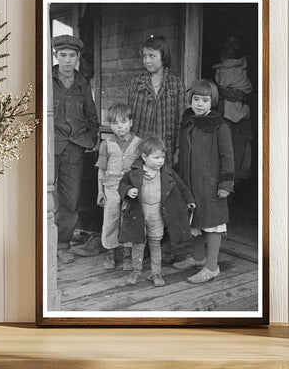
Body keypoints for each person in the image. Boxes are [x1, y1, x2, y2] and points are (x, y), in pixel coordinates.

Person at [173, 80, 234, 283]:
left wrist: (226, 184)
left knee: (213, 223)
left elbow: (227, 156)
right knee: (195, 220)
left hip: (211, 184)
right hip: (190, 181)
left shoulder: (219, 125)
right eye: (196, 99)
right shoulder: (188, 120)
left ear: (212, 102)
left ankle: (212, 266)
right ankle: (198, 258)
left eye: (205, 100)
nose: (199, 104)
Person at [118, 137, 195, 287]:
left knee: (155, 243)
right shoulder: (134, 172)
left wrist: (189, 199)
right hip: (139, 214)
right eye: (156, 157)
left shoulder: (167, 172)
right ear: (144, 157)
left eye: (162, 157)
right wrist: (128, 190)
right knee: (138, 244)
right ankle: (135, 271)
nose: (161, 161)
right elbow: (122, 185)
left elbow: (182, 186)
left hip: (157, 214)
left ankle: (156, 272)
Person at [52, 34, 100, 264]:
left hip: (75, 149)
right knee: (47, 197)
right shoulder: (46, 79)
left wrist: (90, 140)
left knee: (70, 200)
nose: (68, 60)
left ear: (78, 57)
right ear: (56, 56)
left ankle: (62, 245)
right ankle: (43, 241)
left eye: (72, 56)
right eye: (63, 55)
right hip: (51, 147)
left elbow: (92, 117)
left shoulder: (83, 83)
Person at [127, 35, 186, 166]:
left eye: (152, 56)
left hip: (165, 150)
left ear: (163, 56)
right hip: (139, 149)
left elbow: (181, 120)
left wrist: (178, 149)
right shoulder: (136, 83)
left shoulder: (175, 84)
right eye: (144, 56)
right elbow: (128, 116)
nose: (147, 60)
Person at [96, 103, 141, 270]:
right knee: (111, 220)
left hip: (130, 189)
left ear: (131, 122)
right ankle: (110, 253)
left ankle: (128, 255)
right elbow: (101, 169)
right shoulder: (106, 144)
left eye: (123, 122)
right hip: (111, 189)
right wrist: (100, 191)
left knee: (128, 220)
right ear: (110, 125)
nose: (120, 126)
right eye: (115, 123)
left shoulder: (138, 144)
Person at [213, 34, 253, 181]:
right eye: (228, 43)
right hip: (226, 116)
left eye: (234, 43)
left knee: (238, 154)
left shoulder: (243, 68)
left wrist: (226, 91)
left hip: (240, 118)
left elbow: (246, 91)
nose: (231, 47)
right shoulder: (221, 68)